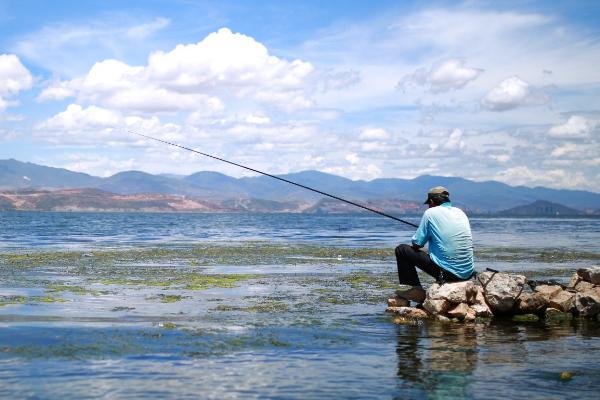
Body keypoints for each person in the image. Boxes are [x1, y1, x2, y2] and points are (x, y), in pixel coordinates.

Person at [395, 186, 474, 302]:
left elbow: (417, 243)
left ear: (431, 201)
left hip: (448, 274)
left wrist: (426, 235)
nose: (428, 206)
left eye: (428, 203)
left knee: (401, 250)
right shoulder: (460, 212)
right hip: (468, 273)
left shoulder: (430, 213)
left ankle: (416, 290)